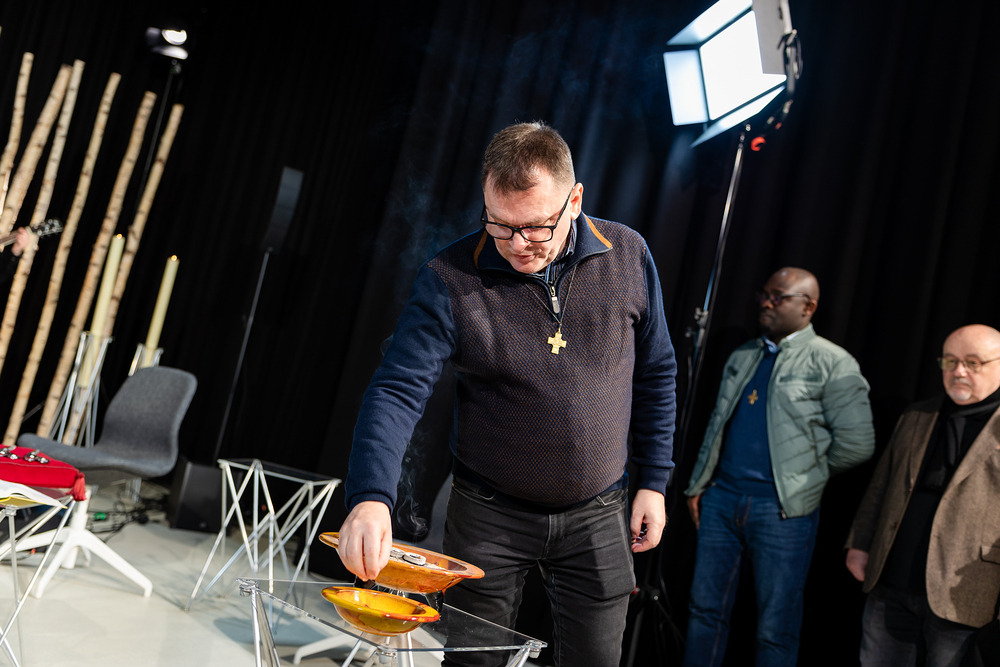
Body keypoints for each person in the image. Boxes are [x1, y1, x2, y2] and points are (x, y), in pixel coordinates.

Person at [337, 121, 677, 666]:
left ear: (574, 201)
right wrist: (371, 497)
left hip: (598, 510)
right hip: (489, 512)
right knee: (474, 661)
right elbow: (397, 391)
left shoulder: (628, 255)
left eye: (537, 227)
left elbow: (657, 372)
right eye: (500, 224)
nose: (519, 244)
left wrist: (654, 481)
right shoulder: (450, 278)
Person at [683, 267, 875, 667]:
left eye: (778, 297)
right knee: (704, 613)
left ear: (808, 307)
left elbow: (858, 444)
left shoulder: (833, 362)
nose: (766, 304)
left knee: (775, 627)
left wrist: (803, 479)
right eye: (764, 295)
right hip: (721, 501)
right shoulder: (744, 355)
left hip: (782, 512)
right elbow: (718, 424)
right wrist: (700, 484)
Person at [845, 324, 1000, 666]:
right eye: (950, 361)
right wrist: (860, 541)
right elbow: (882, 484)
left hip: (965, 593)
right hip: (891, 580)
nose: (959, 371)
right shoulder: (918, 415)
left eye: (973, 363)